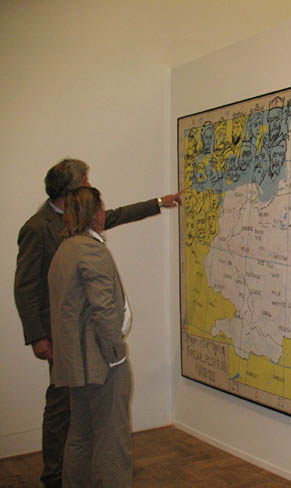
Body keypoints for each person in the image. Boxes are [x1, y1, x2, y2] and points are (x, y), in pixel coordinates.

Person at [14, 158, 182, 488]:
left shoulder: (70, 240)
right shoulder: (43, 230)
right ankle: (54, 475)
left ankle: (73, 478)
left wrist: (159, 202)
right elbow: (27, 288)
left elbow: (114, 216)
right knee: (85, 422)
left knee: (80, 427)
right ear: (74, 196)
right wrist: (40, 337)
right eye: (86, 183)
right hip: (80, 347)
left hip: (76, 344)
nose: (91, 186)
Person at [48, 186, 131, 487]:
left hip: (77, 365)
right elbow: (103, 309)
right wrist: (116, 354)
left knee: (80, 435)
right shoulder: (91, 251)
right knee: (112, 439)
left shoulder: (65, 250)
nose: (104, 213)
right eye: (102, 208)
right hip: (100, 363)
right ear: (95, 214)